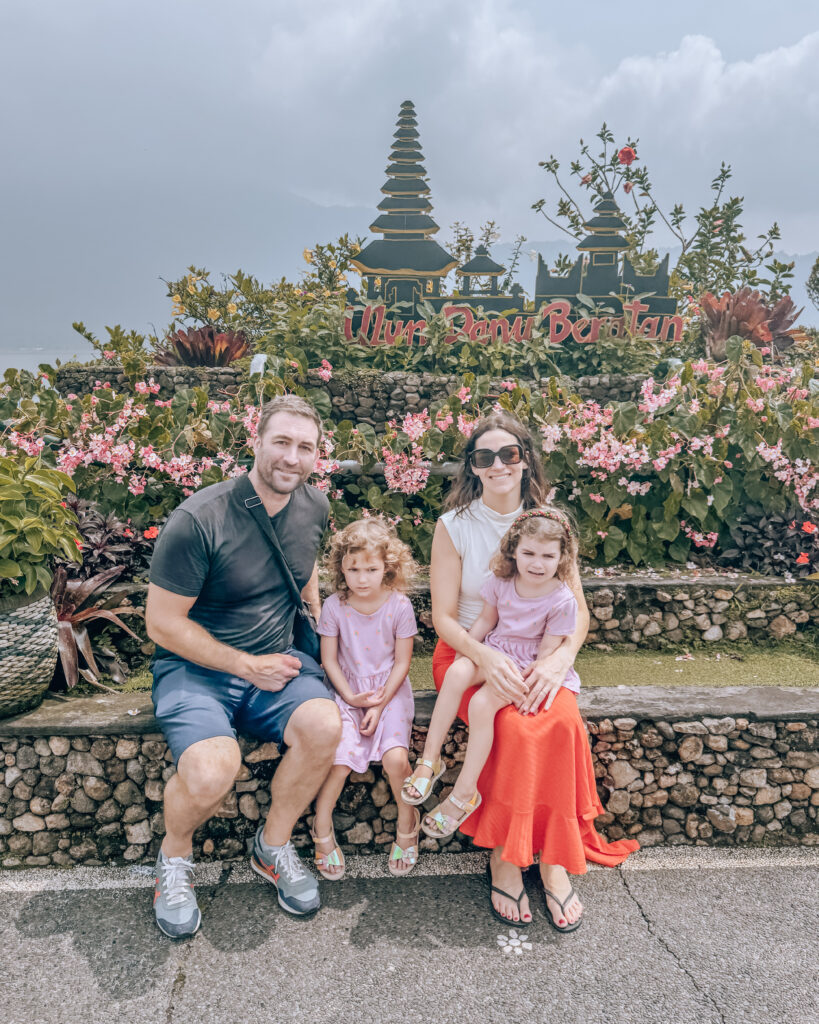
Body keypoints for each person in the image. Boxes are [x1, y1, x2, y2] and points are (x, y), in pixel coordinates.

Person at [419, 411, 638, 932]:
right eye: (484, 456)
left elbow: (577, 609)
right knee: (514, 729)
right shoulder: (454, 527)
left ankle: (555, 857)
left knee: (561, 724)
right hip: (470, 653)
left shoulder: (551, 523)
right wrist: (488, 656)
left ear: (525, 460)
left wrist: (558, 660)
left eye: (509, 453)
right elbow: (444, 618)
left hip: (541, 655)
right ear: (473, 466)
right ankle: (506, 854)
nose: (497, 464)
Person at [145, 394, 342, 938]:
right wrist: (243, 664)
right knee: (211, 770)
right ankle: (174, 859)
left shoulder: (315, 506)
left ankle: (272, 846)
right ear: (254, 443)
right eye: (281, 442)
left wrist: (315, 613)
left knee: (326, 726)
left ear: (316, 455)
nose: (292, 457)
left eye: (305, 447)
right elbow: (162, 624)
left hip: (275, 666)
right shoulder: (197, 520)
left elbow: (302, 570)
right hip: (196, 670)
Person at [404, 508, 581, 857]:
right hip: (496, 650)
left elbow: (546, 654)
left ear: (562, 558)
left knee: (481, 705)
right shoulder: (501, 582)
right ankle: (429, 760)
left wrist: (525, 684)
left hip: (527, 665)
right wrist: (465, 657)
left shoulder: (561, 600)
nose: (537, 563)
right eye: (529, 553)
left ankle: (464, 792)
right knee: (456, 673)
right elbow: (486, 622)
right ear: (514, 550)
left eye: (548, 556)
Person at [311, 518, 421, 879]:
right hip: (347, 690)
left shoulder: (399, 605)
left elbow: (402, 663)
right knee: (339, 762)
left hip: (389, 692)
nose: (361, 578)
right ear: (341, 567)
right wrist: (352, 698)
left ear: (387, 567)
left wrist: (377, 703)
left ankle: (408, 820)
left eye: (371, 569)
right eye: (353, 568)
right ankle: (321, 826)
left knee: (395, 759)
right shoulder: (334, 606)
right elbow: (329, 659)